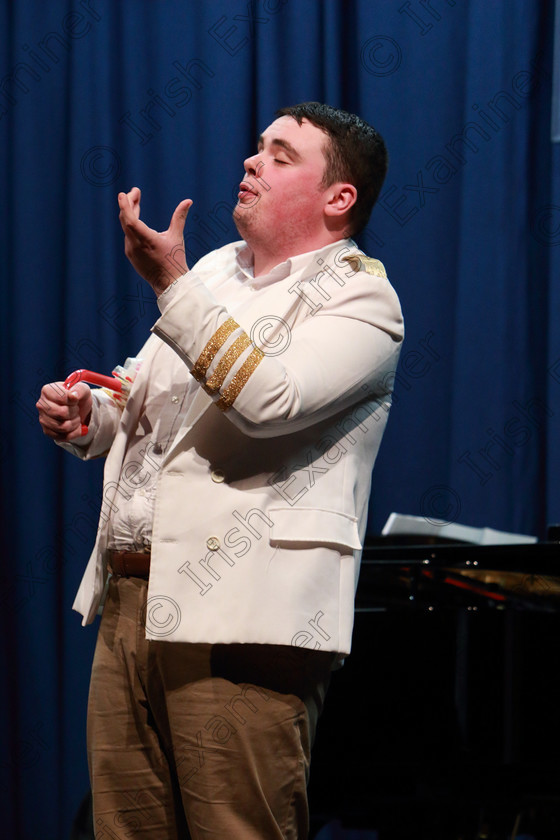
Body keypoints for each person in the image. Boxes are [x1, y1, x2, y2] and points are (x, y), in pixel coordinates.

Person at [37, 102, 404, 840]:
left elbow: (270, 400)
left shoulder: (363, 296)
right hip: (132, 596)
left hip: (245, 616)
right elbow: (146, 398)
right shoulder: (214, 272)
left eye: (279, 153)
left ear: (339, 198)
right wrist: (91, 418)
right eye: (255, 148)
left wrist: (172, 286)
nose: (251, 162)